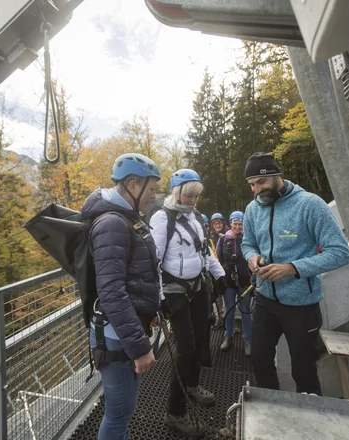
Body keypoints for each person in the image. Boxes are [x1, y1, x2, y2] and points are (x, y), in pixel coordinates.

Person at [241, 152, 349, 395]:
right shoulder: (252, 209)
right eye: (252, 185)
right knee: (259, 360)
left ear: (277, 175)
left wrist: (292, 268)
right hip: (264, 300)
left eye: (261, 182)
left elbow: (341, 252)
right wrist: (252, 258)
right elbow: (248, 244)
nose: (257, 190)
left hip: (301, 304)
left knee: (303, 371)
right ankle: (272, 410)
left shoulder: (310, 204)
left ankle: (310, 422)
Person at [81, 153, 162, 440]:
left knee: (121, 414)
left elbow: (134, 276)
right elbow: (112, 292)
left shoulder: (126, 219)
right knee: (118, 417)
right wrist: (140, 348)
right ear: (132, 184)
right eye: (151, 189)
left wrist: (148, 311)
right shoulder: (113, 224)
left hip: (122, 331)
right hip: (117, 336)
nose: (153, 196)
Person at [150, 169, 226, 437]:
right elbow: (154, 262)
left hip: (197, 286)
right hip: (174, 291)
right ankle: (175, 411)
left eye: (197, 196)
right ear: (177, 191)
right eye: (189, 195)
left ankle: (192, 384)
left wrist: (220, 275)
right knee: (186, 346)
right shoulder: (162, 219)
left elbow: (203, 251)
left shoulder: (196, 218)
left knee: (202, 336)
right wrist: (160, 298)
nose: (193, 200)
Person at [216, 211, 252, 356]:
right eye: (235, 224)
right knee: (229, 309)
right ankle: (227, 336)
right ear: (230, 224)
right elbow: (218, 260)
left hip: (244, 280)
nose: (238, 227)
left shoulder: (248, 239)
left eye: (240, 224)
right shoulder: (224, 240)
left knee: (245, 310)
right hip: (229, 280)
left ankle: (248, 339)